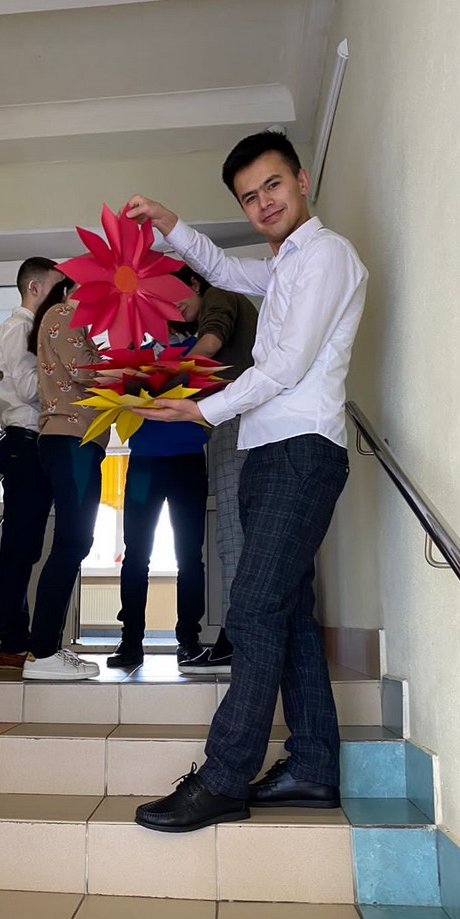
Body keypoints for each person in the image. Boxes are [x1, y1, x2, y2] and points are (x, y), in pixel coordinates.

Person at [125, 129, 368, 832]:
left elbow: (287, 365)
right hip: (269, 453)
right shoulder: (285, 264)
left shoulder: (326, 256)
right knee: (287, 613)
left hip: (301, 450)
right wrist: (171, 225)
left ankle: (225, 777)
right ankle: (314, 765)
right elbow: (226, 270)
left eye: (273, 185)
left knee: (254, 609)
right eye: (249, 196)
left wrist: (203, 409)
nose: (263, 202)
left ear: (302, 180)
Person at [107, 324, 209, 670]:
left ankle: (189, 640)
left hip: (188, 460)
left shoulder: (200, 350)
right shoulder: (137, 354)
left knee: (189, 555)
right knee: (136, 553)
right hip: (144, 463)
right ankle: (130, 641)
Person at [172, 266, 258, 676]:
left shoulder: (219, 294)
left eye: (175, 295)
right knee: (249, 532)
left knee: (232, 533)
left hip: (236, 420)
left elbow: (210, 341)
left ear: (195, 282)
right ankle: (248, 636)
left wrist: (162, 378)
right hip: (251, 418)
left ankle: (235, 640)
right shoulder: (231, 304)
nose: (174, 308)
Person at [21, 278, 109, 680]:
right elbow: (85, 372)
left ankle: (47, 647)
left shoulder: (71, 321)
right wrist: (136, 374)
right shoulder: (64, 313)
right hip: (71, 438)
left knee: (74, 541)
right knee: (73, 540)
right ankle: (41, 653)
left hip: (76, 439)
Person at [0, 257, 65, 670]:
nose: (62, 297)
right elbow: (29, 387)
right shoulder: (20, 329)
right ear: (34, 288)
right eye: (56, 288)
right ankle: (13, 642)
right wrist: (69, 376)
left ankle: (18, 641)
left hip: (32, 444)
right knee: (20, 548)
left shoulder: (31, 329)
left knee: (26, 546)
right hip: (23, 442)